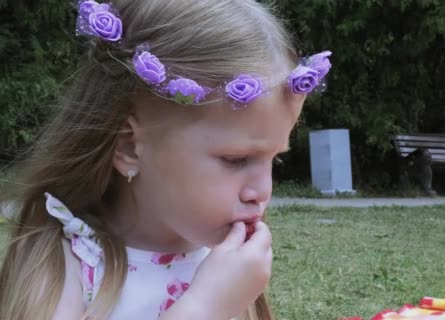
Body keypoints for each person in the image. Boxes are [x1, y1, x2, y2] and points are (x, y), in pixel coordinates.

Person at [0, 0, 332, 319]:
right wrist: (204, 309)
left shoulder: (226, 264)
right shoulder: (64, 265)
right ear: (129, 147)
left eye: (273, 160)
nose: (261, 191)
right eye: (236, 159)